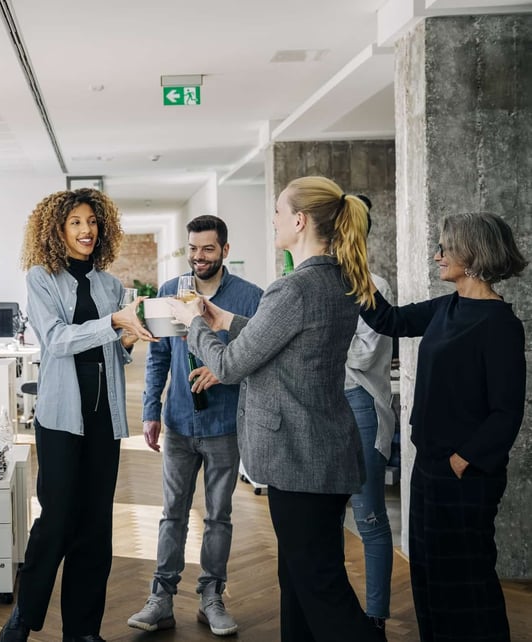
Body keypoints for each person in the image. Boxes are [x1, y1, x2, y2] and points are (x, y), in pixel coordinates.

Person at [168, 176, 383, 641]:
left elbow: (227, 364)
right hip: (323, 451)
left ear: (300, 221)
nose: (274, 221)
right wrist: (222, 317)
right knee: (300, 582)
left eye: (279, 214)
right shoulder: (337, 278)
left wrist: (191, 323)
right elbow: (286, 335)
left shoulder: (294, 288)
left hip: (300, 458)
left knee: (320, 588)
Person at [360, 212, 527, 641]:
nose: (437, 256)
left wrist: (462, 459)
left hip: (465, 473)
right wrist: (352, 265)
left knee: (467, 580)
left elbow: (507, 412)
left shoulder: (499, 324)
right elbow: (389, 320)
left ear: (472, 253)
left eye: (444, 248)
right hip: (431, 464)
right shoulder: (446, 307)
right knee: (429, 574)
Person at [0, 188, 155, 642]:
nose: (87, 230)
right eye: (76, 223)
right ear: (57, 230)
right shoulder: (41, 277)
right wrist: (113, 324)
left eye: (92, 221)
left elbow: (114, 355)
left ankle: (83, 631)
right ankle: (23, 617)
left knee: (96, 525)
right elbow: (57, 340)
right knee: (57, 519)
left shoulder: (109, 285)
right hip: (61, 416)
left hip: (104, 416)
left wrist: (129, 340)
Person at [128, 215, 262, 635]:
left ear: (224, 249)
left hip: (225, 423)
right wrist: (151, 410)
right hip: (180, 422)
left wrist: (225, 372)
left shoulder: (250, 297)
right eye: (192, 248)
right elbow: (159, 358)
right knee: (172, 515)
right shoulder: (170, 292)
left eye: (207, 249)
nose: (198, 257)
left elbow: (259, 358)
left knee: (219, 516)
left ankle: (212, 598)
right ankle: (161, 599)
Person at [344, 209, 396, 635]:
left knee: (370, 517)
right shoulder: (319, 281)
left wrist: (313, 343)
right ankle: (336, 612)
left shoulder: (374, 285)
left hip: (360, 405)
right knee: (325, 521)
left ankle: (375, 617)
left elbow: (362, 354)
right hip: (325, 405)